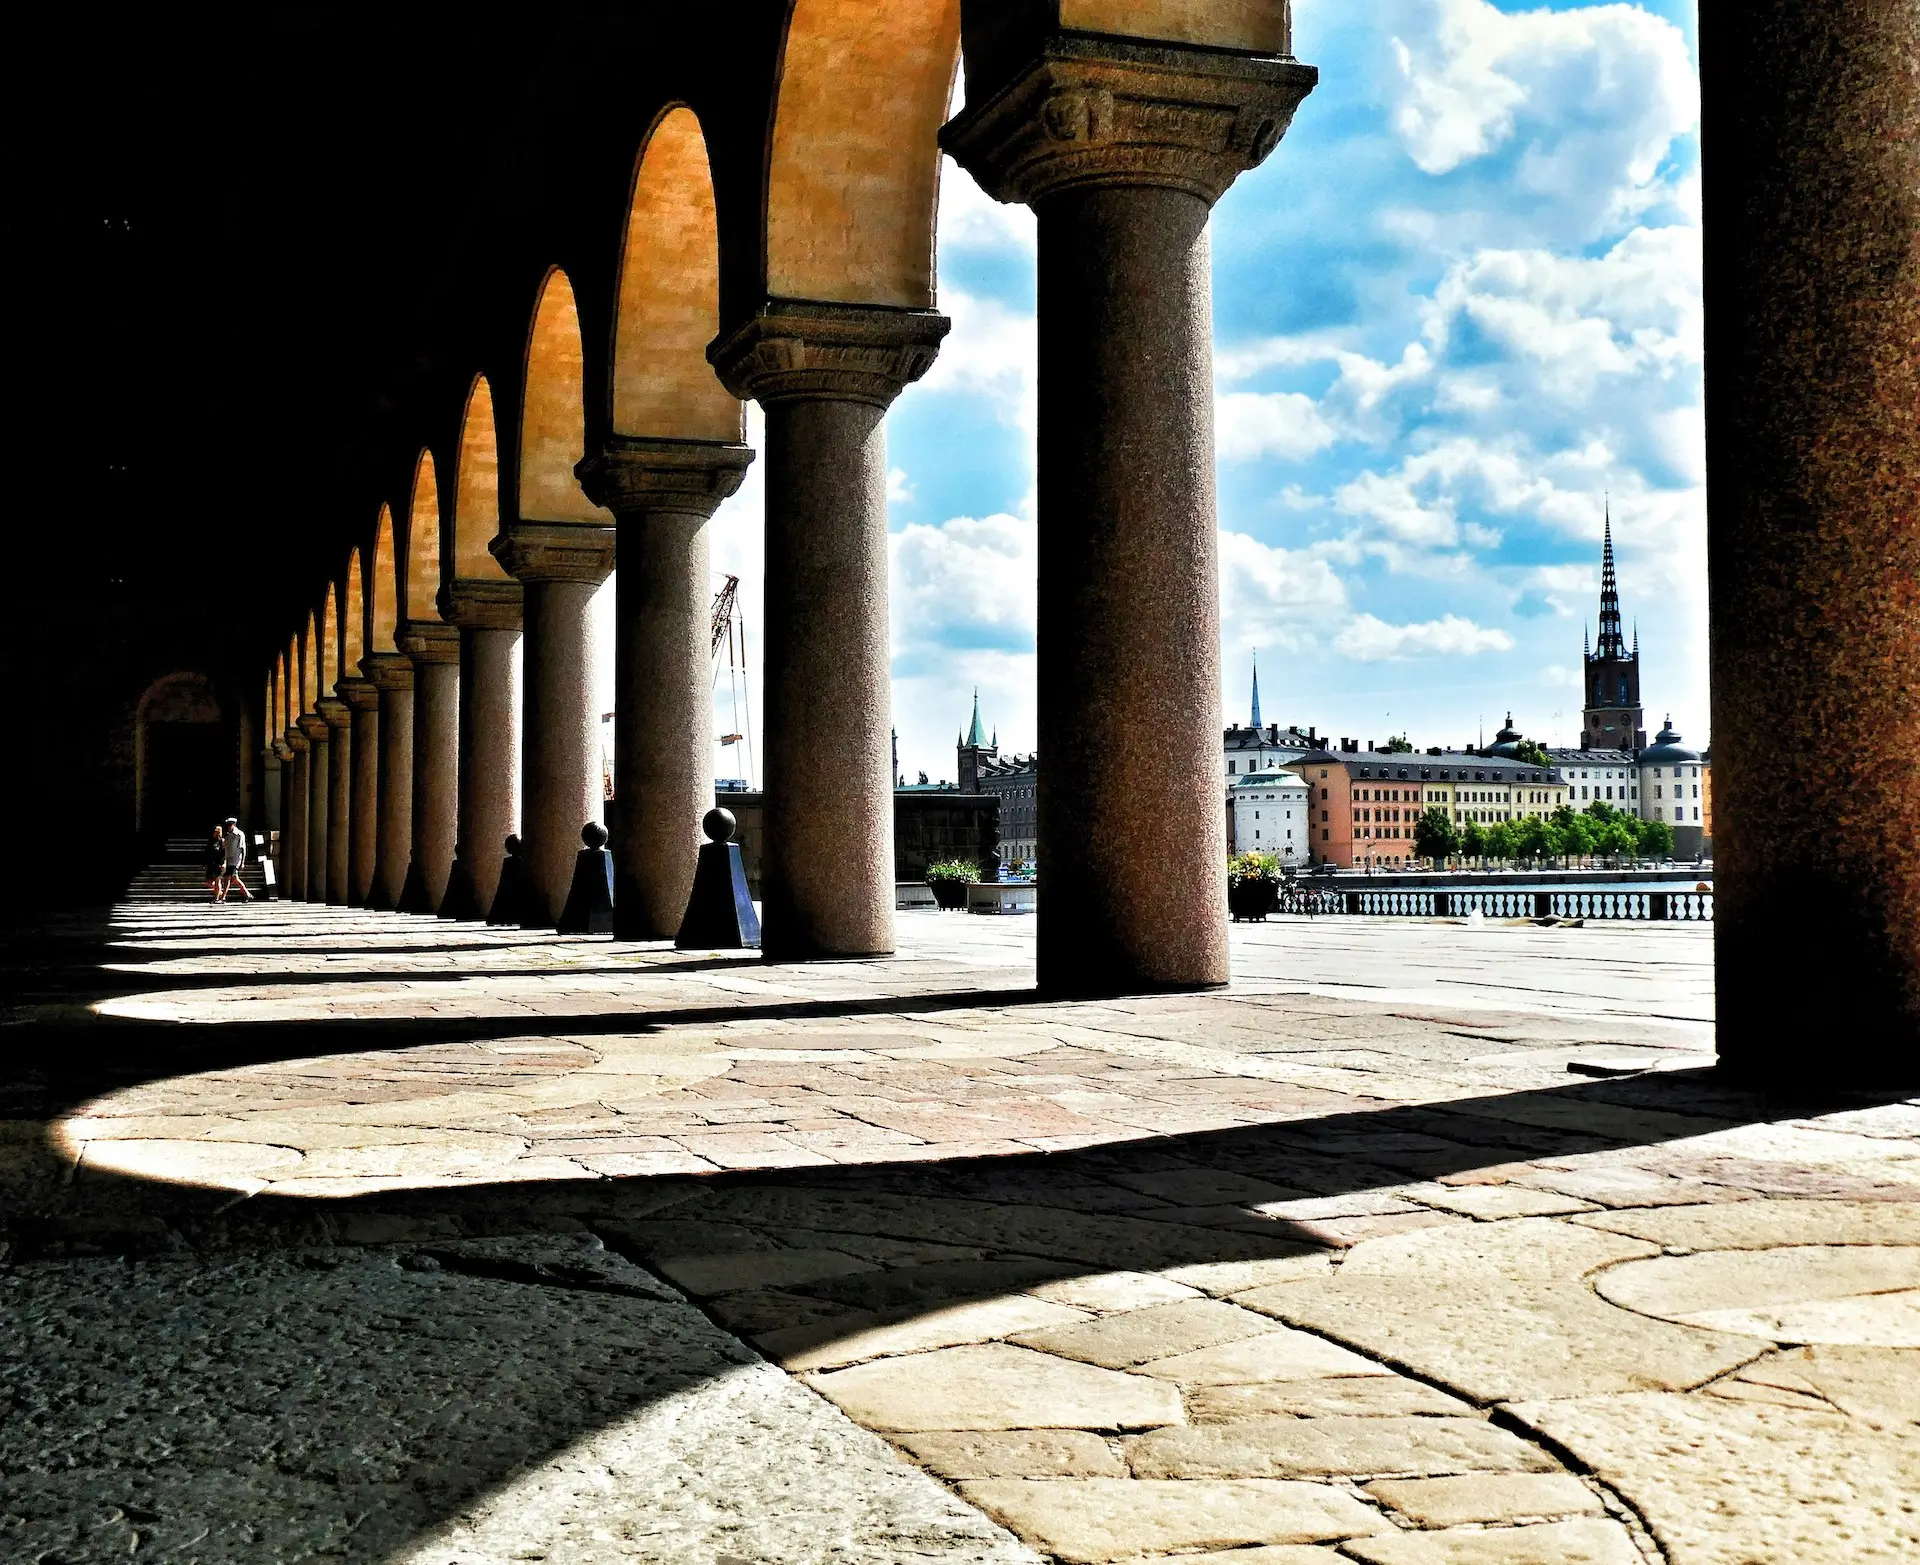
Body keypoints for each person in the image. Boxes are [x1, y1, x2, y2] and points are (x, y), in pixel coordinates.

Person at [220, 816, 251, 902]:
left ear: (234, 825)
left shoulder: (239, 834)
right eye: (227, 825)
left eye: (230, 825)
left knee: (227, 878)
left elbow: (243, 848)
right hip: (228, 859)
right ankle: (247, 894)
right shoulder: (227, 835)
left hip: (235, 860)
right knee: (234, 878)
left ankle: (223, 897)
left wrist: (242, 862)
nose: (228, 826)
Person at [205, 824, 227, 901]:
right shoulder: (211, 841)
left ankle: (217, 897)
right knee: (209, 882)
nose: (216, 833)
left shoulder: (222, 841)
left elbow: (225, 853)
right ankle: (220, 893)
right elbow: (207, 852)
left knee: (218, 881)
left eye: (217, 831)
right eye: (215, 831)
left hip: (219, 863)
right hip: (211, 863)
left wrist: (224, 862)